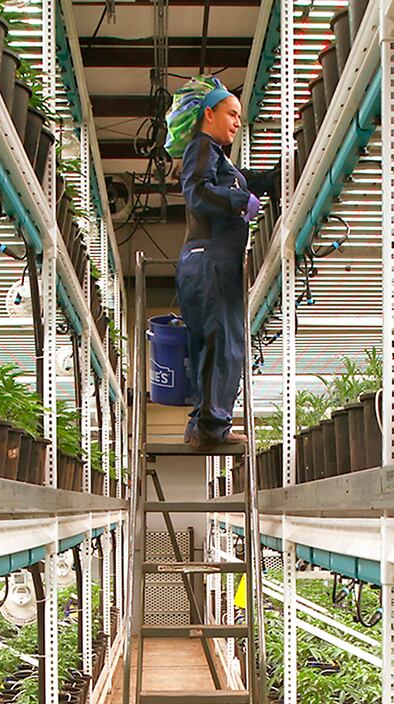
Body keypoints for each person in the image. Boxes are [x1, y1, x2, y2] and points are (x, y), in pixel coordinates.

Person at [167, 78, 278, 451]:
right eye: (231, 114)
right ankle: (213, 427)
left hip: (202, 263)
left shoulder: (217, 156)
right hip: (212, 260)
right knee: (225, 342)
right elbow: (197, 192)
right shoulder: (203, 147)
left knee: (207, 345)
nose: (236, 122)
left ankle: (203, 423)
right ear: (208, 114)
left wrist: (265, 182)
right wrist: (237, 201)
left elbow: (235, 183)